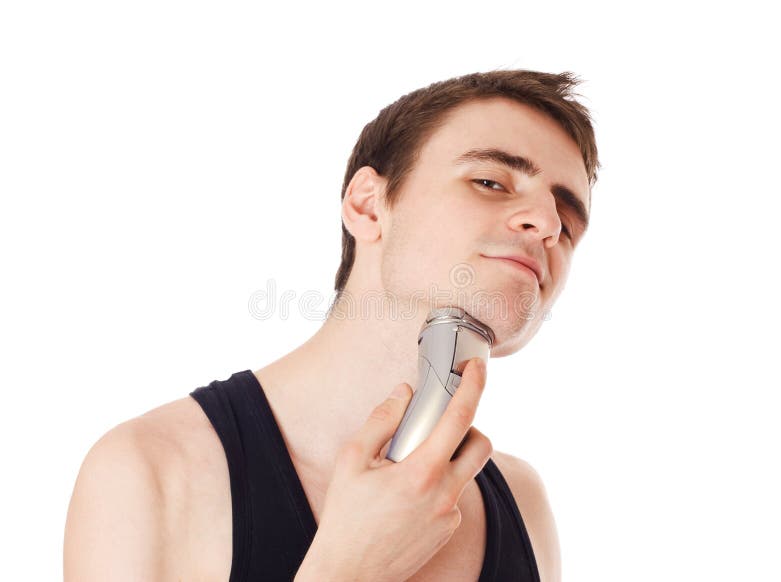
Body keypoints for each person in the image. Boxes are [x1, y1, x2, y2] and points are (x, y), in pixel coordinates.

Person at [64, 69, 600, 582]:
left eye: (569, 221)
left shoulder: (524, 506)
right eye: (490, 181)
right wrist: (350, 568)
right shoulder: (149, 472)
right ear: (368, 206)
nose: (549, 226)